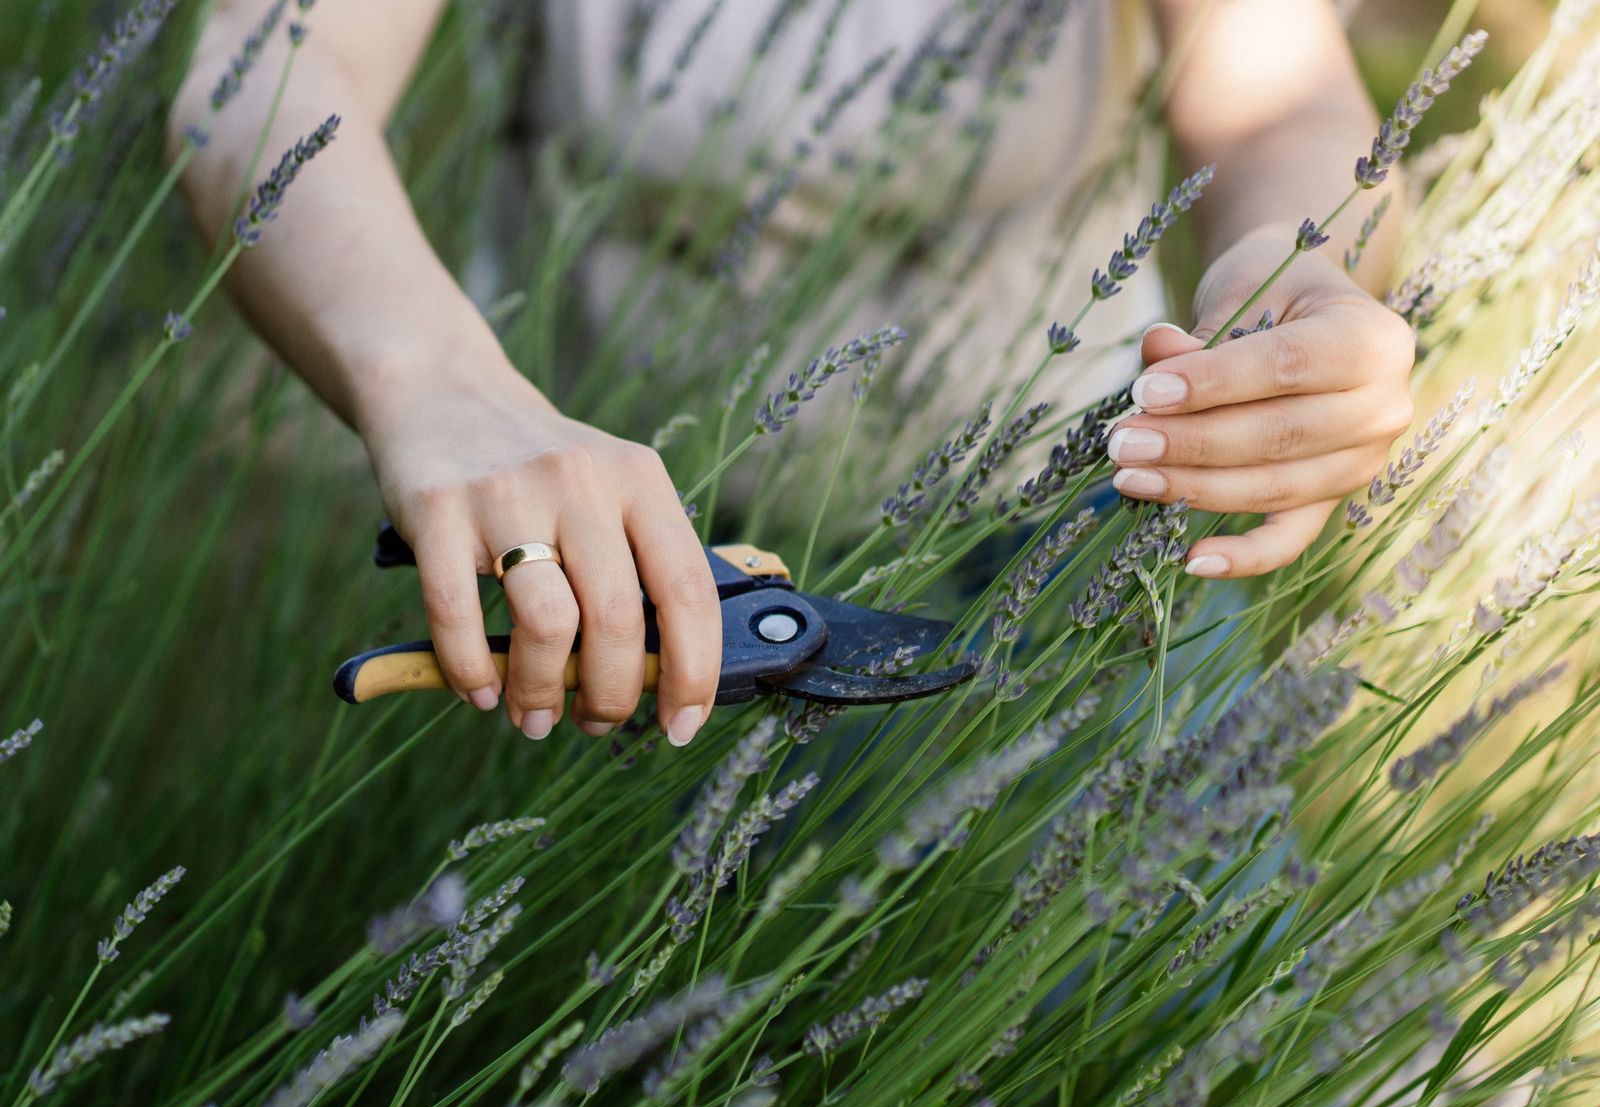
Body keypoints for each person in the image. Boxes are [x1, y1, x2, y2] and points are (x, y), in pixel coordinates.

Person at [170, 0, 1415, 749]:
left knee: (1185, 1068)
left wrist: (1292, 276)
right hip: (609, 552)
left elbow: (1276, 101)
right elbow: (267, 78)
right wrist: (433, 382)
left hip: (1076, 518)